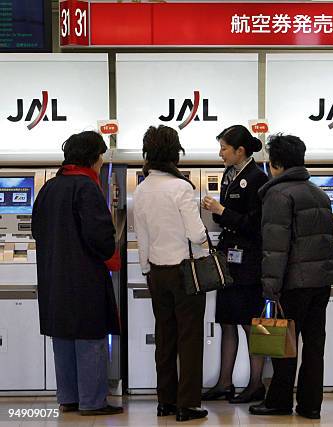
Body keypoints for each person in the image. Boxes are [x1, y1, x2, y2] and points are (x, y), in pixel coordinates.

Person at [249, 134, 333, 420]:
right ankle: (310, 405)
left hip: (293, 283)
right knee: (315, 346)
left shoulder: (278, 195)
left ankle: (278, 401)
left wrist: (270, 288)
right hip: (321, 281)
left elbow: (276, 247)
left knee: (284, 343)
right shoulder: (319, 193)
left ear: (276, 164)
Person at [32, 131, 123, 416]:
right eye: (101, 156)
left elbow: (36, 230)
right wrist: (111, 249)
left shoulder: (49, 187)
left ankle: (68, 398)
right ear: (93, 158)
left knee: (63, 337)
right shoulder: (86, 187)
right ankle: (92, 401)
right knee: (89, 337)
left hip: (53, 275)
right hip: (83, 277)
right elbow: (99, 236)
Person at [133, 125, 208, 422]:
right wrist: (205, 234)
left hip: (157, 272)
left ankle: (165, 401)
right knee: (189, 338)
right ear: (175, 152)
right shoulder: (181, 187)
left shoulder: (141, 188)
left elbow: (143, 237)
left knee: (164, 337)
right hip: (185, 273)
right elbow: (196, 234)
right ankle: (187, 405)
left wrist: (146, 269)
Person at [201, 125, 269, 404]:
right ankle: (224, 382)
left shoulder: (257, 179)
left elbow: (255, 225)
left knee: (250, 323)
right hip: (228, 259)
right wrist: (218, 213)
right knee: (227, 321)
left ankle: (255, 384)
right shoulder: (230, 175)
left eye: (224, 148)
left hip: (249, 262)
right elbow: (230, 218)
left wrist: (222, 211)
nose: (220, 154)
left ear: (240, 150)